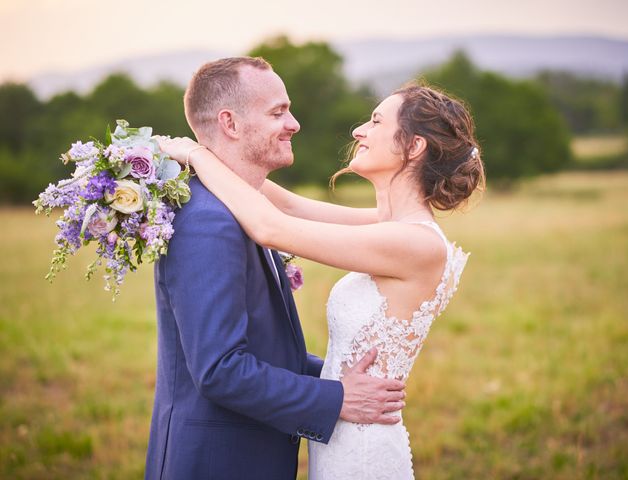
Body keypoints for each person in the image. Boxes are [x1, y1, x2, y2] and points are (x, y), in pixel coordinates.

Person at [159, 77, 485, 479]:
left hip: (362, 450)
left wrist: (194, 152)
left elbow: (271, 228)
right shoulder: (390, 226)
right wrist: (218, 149)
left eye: (377, 122)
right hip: (343, 432)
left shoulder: (414, 243)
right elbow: (289, 207)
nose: (359, 130)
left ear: (414, 146)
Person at [145, 57, 406, 480]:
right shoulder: (208, 221)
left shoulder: (243, 206)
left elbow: (264, 348)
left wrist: (337, 376)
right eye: (277, 112)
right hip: (216, 463)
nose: (294, 123)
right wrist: (336, 398)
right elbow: (220, 370)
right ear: (230, 123)